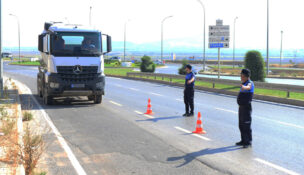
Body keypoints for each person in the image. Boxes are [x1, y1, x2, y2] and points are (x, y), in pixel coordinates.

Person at [236, 69, 255, 148]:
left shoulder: (249, 83)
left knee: (246, 124)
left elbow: (248, 87)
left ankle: (248, 142)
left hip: (246, 107)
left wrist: (244, 87)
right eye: (241, 76)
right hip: (241, 107)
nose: (241, 77)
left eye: (243, 76)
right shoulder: (244, 83)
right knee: (241, 124)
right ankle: (243, 140)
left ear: (247, 76)